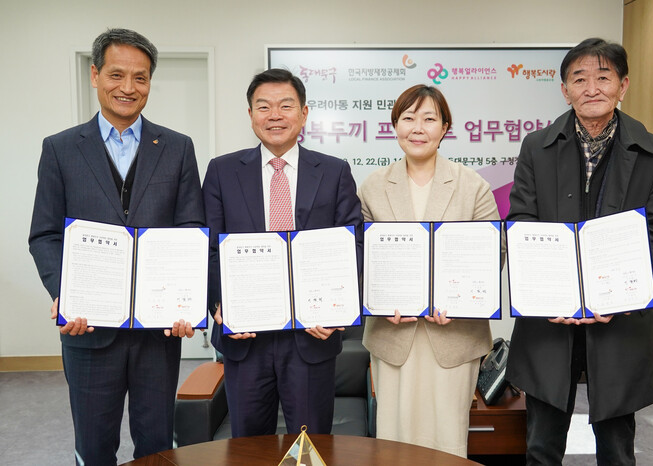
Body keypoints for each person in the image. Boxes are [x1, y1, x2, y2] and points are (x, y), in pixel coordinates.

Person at [28, 29, 205, 465]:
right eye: (116, 74)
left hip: (157, 333)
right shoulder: (61, 149)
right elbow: (45, 234)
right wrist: (64, 292)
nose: (128, 87)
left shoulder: (178, 148)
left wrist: (188, 301)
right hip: (88, 329)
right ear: (95, 75)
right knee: (93, 445)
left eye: (140, 77)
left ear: (150, 82)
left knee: (157, 444)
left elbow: (191, 229)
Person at [506, 38, 653, 465]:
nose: (592, 88)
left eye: (603, 77)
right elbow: (522, 221)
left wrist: (614, 294)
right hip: (550, 318)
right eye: (579, 79)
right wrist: (552, 293)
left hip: (619, 317)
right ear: (565, 90)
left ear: (623, 86)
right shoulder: (536, 147)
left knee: (617, 450)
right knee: (541, 447)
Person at [202, 68, 362, 437]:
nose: (275, 115)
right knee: (248, 447)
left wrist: (335, 307)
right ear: (250, 115)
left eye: (286, 106)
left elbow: (352, 243)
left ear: (304, 113)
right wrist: (219, 304)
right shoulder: (223, 171)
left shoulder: (334, 171)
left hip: (311, 336)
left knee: (311, 445)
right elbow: (209, 247)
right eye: (264, 107)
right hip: (245, 336)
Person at [358, 84, 499, 457]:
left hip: (454, 336)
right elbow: (360, 259)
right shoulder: (372, 187)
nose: (417, 128)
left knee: (447, 442)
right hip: (393, 334)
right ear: (395, 126)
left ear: (445, 127)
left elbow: (493, 253)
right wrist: (377, 300)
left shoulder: (473, 185)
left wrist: (462, 301)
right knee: (395, 440)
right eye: (408, 118)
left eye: (429, 119)